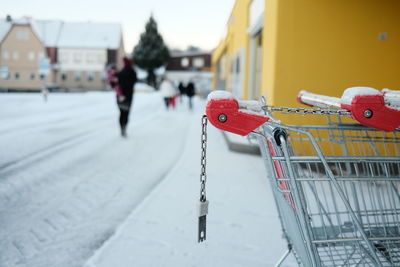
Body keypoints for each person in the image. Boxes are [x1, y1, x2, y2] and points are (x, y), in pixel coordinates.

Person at [116, 57, 137, 137]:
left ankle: (122, 127)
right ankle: (124, 127)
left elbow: (115, 83)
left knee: (121, 113)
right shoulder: (133, 72)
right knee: (126, 113)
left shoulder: (120, 72)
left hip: (120, 96)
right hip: (128, 96)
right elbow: (134, 81)